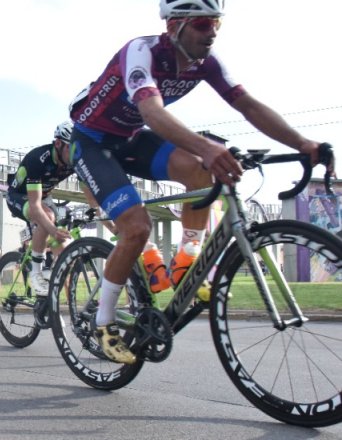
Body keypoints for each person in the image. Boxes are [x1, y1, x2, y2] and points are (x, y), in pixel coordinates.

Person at [68, 0, 335, 364]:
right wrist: (207, 146)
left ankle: (186, 262)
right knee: (135, 227)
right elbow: (152, 111)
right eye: (202, 24)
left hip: (131, 138)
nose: (211, 33)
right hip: (93, 143)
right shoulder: (141, 51)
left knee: (199, 169)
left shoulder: (207, 63)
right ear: (175, 26)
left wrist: (303, 144)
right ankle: (104, 322)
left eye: (216, 25)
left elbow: (249, 106)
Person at [5, 121, 110, 326]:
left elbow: (93, 200)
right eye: (70, 148)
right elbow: (35, 207)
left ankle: (51, 305)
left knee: (64, 254)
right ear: (58, 144)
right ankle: (36, 273)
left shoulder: (74, 161)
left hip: (44, 197)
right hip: (20, 196)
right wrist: (52, 230)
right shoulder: (38, 159)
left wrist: (109, 223)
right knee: (48, 220)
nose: (74, 153)